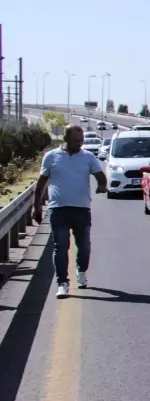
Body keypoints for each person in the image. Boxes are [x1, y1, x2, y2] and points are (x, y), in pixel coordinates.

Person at [33, 125, 107, 300]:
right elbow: (41, 183)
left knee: (84, 247)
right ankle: (62, 283)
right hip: (58, 209)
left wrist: (102, 186)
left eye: (81, 140)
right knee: (60, 247)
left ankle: (81, 271)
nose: (80, 144)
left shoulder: (88, 157)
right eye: (76, 141)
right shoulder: (51, 157)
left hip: (81, 209)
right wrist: (36, 207)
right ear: (65, 139)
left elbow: (100, 176)